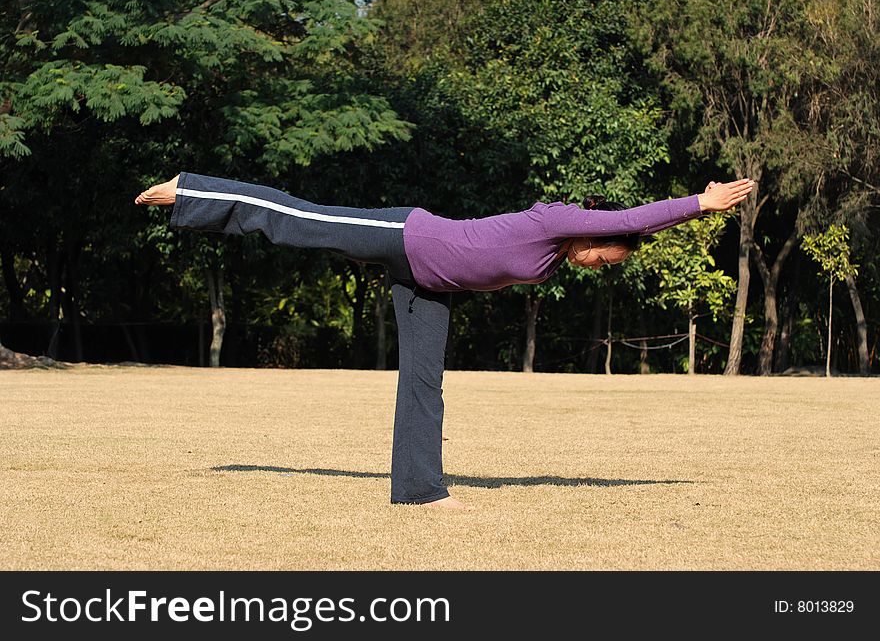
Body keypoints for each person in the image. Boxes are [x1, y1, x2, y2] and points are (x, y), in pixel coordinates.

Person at [136, 173, 754, 508]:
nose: (601, 263)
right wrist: (700, 203)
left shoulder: (553, 259)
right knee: (302, 221)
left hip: (427, 284)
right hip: (406, 237)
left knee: (424, 382)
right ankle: (191, 190)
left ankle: (418, 489)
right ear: (591, 237)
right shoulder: (560, 221)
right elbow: (630, 218)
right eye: (605, 258)